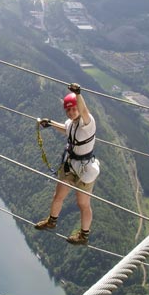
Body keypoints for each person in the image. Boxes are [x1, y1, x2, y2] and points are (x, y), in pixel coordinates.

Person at [34, 83, 99, 245]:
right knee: (58, 196)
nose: (71, 112)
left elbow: (84, 111)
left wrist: (78, 94)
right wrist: (50, 123)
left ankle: (84, 236)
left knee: (83, 203)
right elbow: (67, 129)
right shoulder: (70, 123)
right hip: (71, 165)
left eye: (73, 108)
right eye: (68, 109)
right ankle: (52, 221)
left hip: (85, 168)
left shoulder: (88, 123)